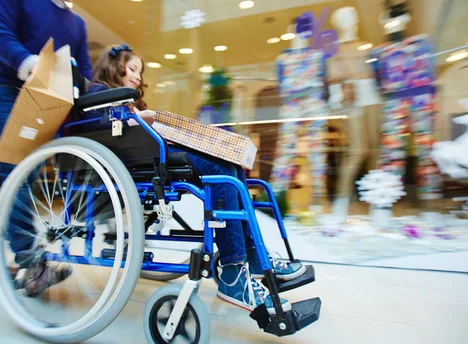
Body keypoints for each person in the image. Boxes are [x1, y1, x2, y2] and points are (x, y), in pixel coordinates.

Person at [88, 44, 307, 315]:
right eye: (132, 69)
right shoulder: (99, 93)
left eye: (139, 72)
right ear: (114, 67)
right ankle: (233, 272)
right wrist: (138, 119)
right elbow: (105, 131)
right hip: (141, 163)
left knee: (233, 167)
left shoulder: (127, 100)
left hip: (155, 155)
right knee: (223, 173)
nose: (136, 76)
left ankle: (250, 257)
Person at [0, 0, 91, 294]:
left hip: (49, 100)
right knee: (19, 171)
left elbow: (83, 74)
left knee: (27, 174)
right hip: (9, 90)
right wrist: (30, 65)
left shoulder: (77, 24)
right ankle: (31, 263)